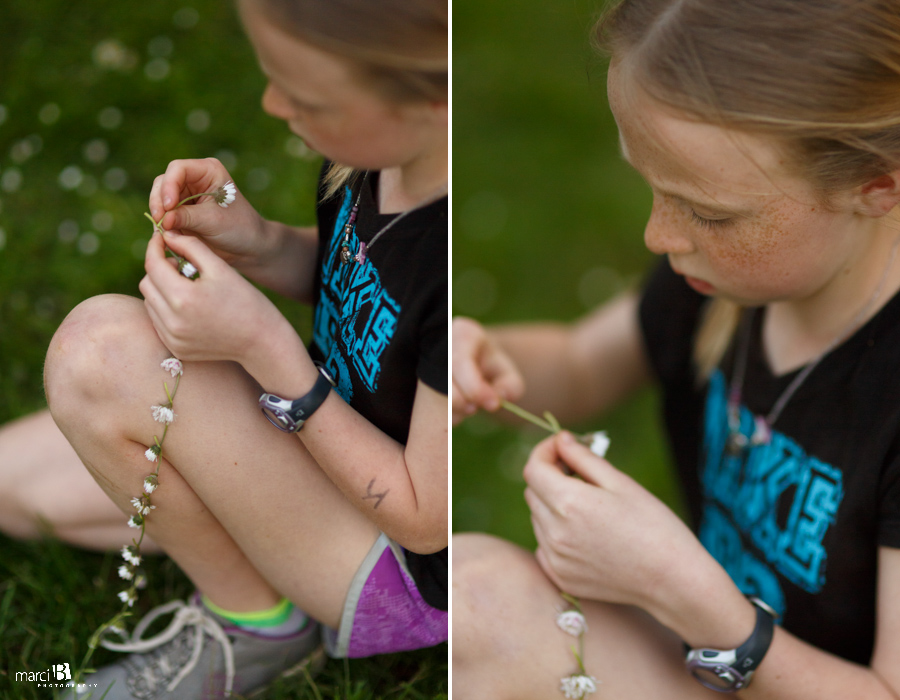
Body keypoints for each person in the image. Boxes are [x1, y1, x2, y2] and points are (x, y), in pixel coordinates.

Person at [452, 0, 900, 698]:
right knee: (475, 599)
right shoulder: (721, 281)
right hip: (721, 661)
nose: (659, 236)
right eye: (652, 188)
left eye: (710, 212)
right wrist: (483, 362)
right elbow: (577, 365)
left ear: (877, 185)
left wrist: (680, 590)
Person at [24, 0, 448, 697]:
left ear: (431, 97)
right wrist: (259, 241)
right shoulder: (377, 158)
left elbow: (426, 519)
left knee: (97, 355)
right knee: (15, 485)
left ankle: (257, 626)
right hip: (316, 454)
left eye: (304, 93)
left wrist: (263, 347)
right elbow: (363, 286)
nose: (274, 103)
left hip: (396, 564)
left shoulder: (451, 260)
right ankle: (235, 544)